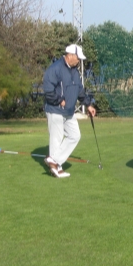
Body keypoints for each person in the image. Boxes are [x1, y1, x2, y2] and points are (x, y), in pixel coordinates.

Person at [42, 44, 96, 178]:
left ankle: (54, 161)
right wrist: (59, 100)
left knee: (75, 135)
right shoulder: (55, 68)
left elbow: (79, 90)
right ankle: (56, 169)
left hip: (69, 111)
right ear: (70, 55)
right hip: (55, 110)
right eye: (78, 58)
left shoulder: (75, 71)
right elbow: (48, 90)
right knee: (56, 139)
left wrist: (88, 105)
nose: (79, 61)